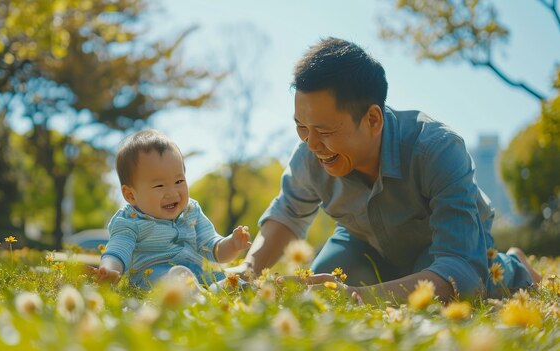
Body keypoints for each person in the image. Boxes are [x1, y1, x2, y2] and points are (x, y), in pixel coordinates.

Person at [232, 37, 540, 302]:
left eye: (324, 131)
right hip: (365, 242)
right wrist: (247, 270)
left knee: (452, 285)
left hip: (440, 248)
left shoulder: (438, 150)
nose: (312, 144)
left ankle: (515, 267)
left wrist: (358, 297)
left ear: (373, 120)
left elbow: (460, 269)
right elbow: (287, 215)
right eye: (301, 127)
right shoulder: (310, 155)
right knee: (323, 284)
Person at [94, 129, 252, 289]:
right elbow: (117, 250)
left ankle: (228, 289)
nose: (172, 192)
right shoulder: (129, 221)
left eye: (179, 181)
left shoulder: (191, 211)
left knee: (225, 277)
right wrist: (109, 269)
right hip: (154, 275)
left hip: (195, 272)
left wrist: (232, 244)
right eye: (159, 185)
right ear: (130, 195)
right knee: (174, 282)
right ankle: (202, 294)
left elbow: (212, 246)